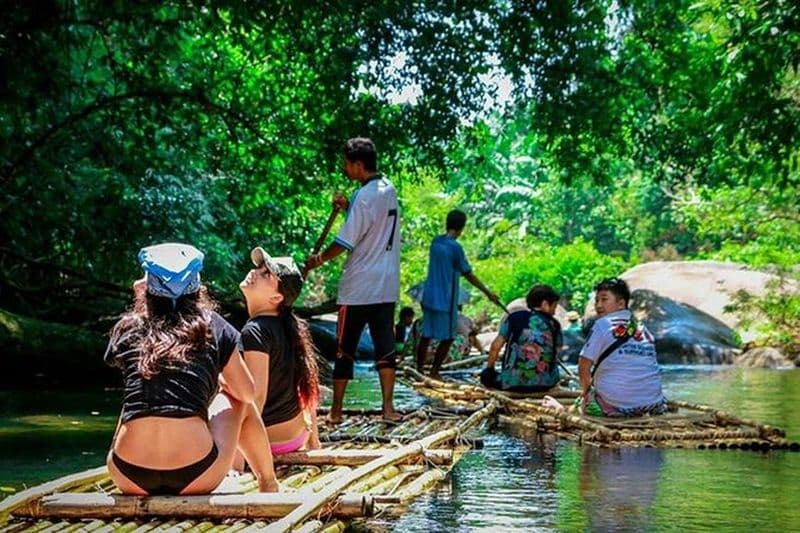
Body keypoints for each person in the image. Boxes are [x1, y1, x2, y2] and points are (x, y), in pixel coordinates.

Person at [104, 243, 278, 495]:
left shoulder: (127, 327)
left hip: (127, 475)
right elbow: (248, 393)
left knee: (137, 393)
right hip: (197, 474)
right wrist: (217, 382)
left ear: (148, 287)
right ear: (196, 286)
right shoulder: (214, 326)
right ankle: (268, 483)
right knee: (238, 399)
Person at [305, 137, 402, 422]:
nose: (345, 169)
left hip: (358, 287)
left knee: (345, 350)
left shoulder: (365, 196)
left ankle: (335, 412)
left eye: (347, 164)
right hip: (385, 285)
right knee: (385, 348)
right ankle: (388, 409)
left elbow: (346, 241)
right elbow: (369, 225)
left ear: (359, 165)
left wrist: (318, 259)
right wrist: (349, 207)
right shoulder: (388, 190)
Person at [240, 247, 322, 455]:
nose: (255, 272)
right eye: (259, 267)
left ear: (277, 298)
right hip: (297, 436)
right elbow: (305, 389)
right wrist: (314, 442)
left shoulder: (255, 331)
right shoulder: (291, 327)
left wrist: (238, 459)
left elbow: (255, 399)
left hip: (269, 443)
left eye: (266, 273)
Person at [416, 209, 502, 379]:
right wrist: (488, 292)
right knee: (448, 337)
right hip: (445, 299)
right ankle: (434, 372)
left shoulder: (436, 242)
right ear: (461, 227)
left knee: (427, 333)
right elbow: (468, 273)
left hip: (429, 296)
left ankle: (419, 369)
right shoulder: (455, 247)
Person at [576, 277, 667, 417]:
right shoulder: (643, 329)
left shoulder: (602, 325)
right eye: (597, 300)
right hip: (652, 403)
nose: (598, 305)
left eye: (604, 299)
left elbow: (583, 365)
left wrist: (586, 393)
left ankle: (559, 408)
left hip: (616, 404)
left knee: (581, 405)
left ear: (621, 304)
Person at [481, 285, 562, 392]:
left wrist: (489, 369)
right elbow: (557, 351)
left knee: (486, 376)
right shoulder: (554, 324)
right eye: (554, 307)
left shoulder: (514, 317)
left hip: (512, 384)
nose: (554, 312)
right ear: (545, 304)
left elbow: (495, 347)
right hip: (545, 384)